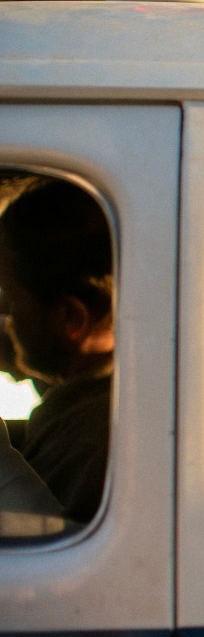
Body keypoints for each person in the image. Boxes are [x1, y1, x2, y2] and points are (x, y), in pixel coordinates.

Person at [0, 176, 113, 523]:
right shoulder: (98, 404)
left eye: (11, 301)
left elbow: (47, 556)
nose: (6, 320)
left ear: (70, 318)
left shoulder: (90, 444)